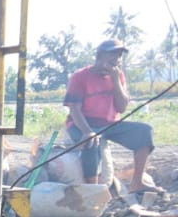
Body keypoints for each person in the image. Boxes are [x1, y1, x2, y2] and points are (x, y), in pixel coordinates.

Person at [64, 38, 156, 196]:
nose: (117, 59)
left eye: (119, 55)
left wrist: (115, 80)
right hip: (83, 122)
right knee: (90, 142)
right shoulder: (80, 77)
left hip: (110, 124)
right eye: (112, 55)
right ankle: (92, 192)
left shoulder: (118, 76)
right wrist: (88, 131)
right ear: (99, 56)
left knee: (144, 131)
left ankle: (137, 182)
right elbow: (74, 110)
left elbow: (121, 107)